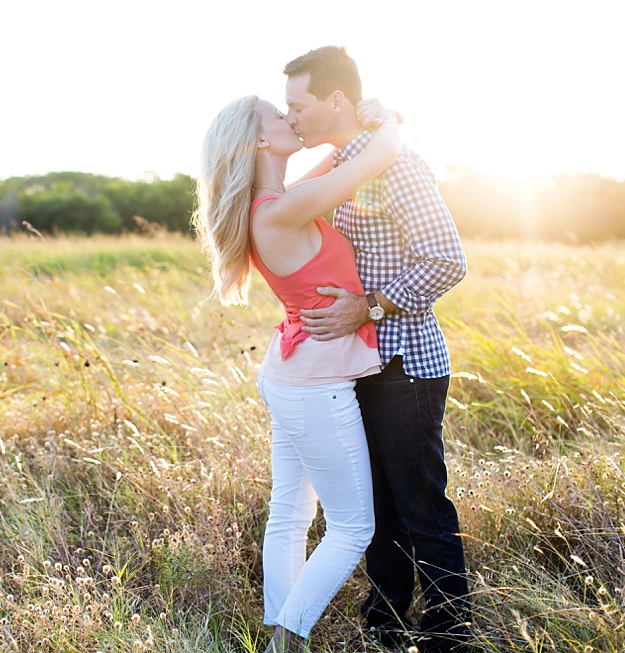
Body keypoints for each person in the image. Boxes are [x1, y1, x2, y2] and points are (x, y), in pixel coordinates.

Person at [193, 93, 401, 652]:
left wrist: (349, 132)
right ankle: (285, 640)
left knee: (289, 512)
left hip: (292, 374)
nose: (290, 119)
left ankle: (280, 634)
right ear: (260, 141)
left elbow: (337, 166)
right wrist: (390, 119)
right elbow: (375, 158)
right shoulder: (280, 210)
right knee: (354, 527)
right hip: (314, 385)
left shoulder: (274, 202)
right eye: (277, 116)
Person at [284, 46, 471, 652]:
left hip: (406, 364)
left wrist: (369, 307)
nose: (292, 119)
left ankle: (449, 630)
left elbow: (447, 260)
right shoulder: (346, 165)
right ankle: (384, 620)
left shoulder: (397, 166)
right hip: (360, 364)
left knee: (419, 501)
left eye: (299, 105)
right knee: (377, 506)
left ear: (336, 100)